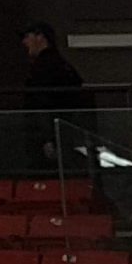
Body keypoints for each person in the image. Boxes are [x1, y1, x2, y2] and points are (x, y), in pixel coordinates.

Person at [20, 23, 92, 169]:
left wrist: (48, 138)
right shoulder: (62, 66)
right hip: (64, 131)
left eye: (28, 36)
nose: (24, 42)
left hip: (52, 133)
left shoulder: (43, 68)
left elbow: (42, 102)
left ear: (40, 37)